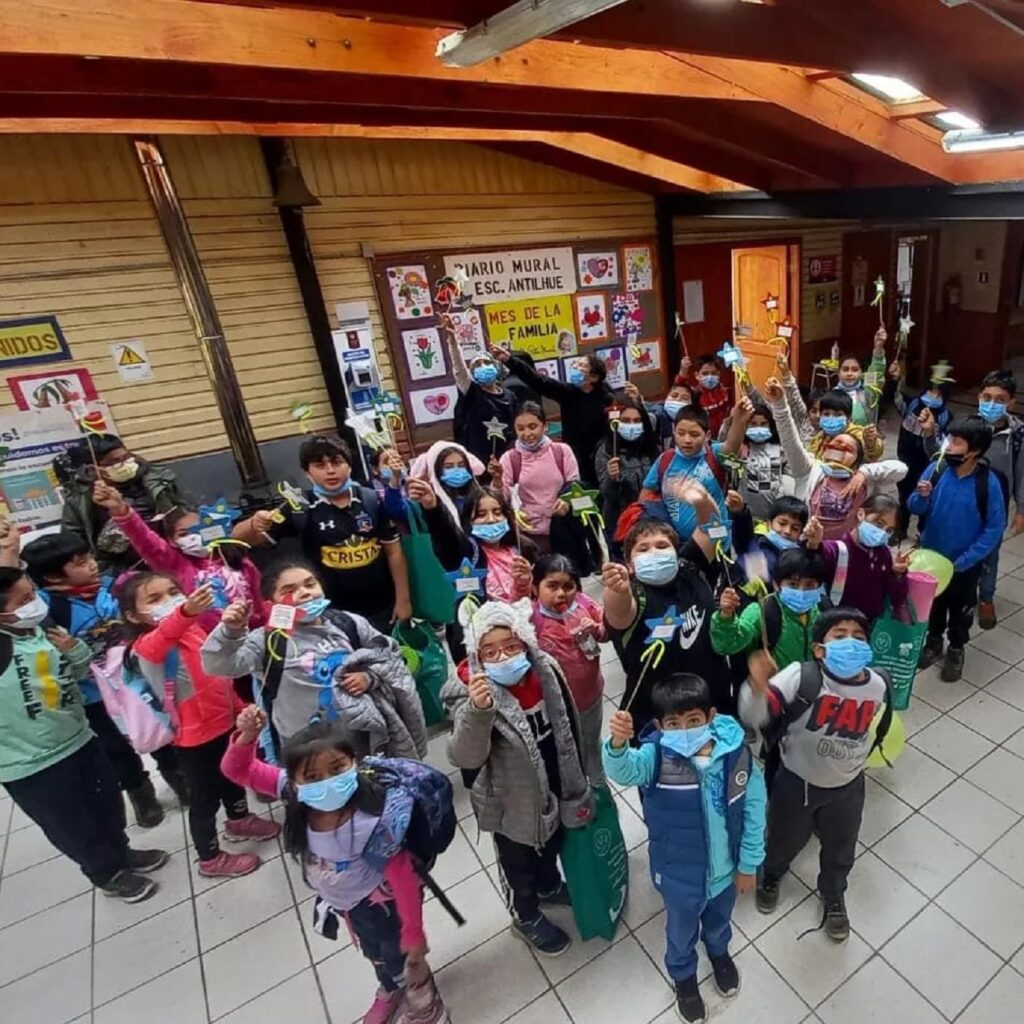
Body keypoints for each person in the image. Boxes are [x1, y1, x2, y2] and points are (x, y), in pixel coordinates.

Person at [222, 710, 449, 1024]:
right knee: (377, 954)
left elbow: (404, 879)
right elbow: (236, 770)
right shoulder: (293, 792)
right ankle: (390, 986)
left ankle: (422, 996)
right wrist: (247, 737)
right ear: (296, 779)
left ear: (354, 762)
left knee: (401, 956)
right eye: (312, 777)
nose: (326, 783)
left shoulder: (373, 820)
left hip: (383, 907)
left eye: (337, 768)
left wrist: (413, 932)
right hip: (349, 904)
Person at [0, 566, 169, 902]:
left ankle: (121, 852)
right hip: (33, 762)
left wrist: (75, 650)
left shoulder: (41, 631)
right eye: (24, 600)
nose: (35, 604)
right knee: (71, 822)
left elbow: (74, 674)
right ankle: (106, 873)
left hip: (78, 737)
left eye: (33, 594)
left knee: (105, 801)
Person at [604, 675, 765, 1024]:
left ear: (710, 716)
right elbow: (622, 770)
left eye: (693, 720)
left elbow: (754, 809)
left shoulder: (736, 756)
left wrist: (749, 863)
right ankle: (684, 977)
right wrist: (617, 744)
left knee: (720, 920)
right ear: (660, 726)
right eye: (674, 724)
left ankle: (719, 952)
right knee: (680, 931)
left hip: (726, 870)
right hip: (678, 874)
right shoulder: (655, 757)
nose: (685, 729)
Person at [442, 599, 593, 957]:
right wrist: (479, 713)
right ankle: (525, 914)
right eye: (490, 651)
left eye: (511, 646)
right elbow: (464, 755)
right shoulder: (470, 691)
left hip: (551, 780)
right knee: (518, 864)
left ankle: (549, 883)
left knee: (551, 841)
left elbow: (567, 722)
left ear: (526, 642)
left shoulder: (544, 671)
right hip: (509, 800)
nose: (503, 657)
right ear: (476, 654)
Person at [739, 607, 890, 941]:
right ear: (820, 649)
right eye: (840, 636)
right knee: (783, 836)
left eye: (859, 637)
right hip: (796, 781)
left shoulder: (878, 684)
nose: (851, 643)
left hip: (848, 784)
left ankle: (834, 893)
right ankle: (773, 873)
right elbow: (754, 715)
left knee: (841, 845)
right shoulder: (799, 676)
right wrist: (757, 684)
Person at [118, 572, 280, 877]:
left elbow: (217, 673)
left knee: (234, 777)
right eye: (154, 599)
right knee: (204, 797)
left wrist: (239, 706)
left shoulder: (193, 631)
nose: (168, 601)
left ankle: (239, 819)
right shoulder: (146, 647)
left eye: (172, 591)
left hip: (226, 722)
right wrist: (185, 611)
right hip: (194, 738)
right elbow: (163, 636)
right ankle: (210, 858)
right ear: (131, 615)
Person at [20, 532, 187, 827]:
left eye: (89, 557)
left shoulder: (112, 589)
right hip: (93, 695)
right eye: (81, 563)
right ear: (52, 577)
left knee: (158, 729)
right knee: (116, 747)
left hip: (137, 680)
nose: (93, 565)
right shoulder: (46, 609)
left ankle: (179, 779)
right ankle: (140, 792)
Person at [201, 558, 427, 762]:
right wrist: (230, 631)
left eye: (310, 584)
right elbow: (218, 665)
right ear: (272, 603)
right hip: (307, 750)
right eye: (289, 590)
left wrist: (369, 677)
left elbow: (390, 656)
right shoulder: (267, 641)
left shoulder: (347, 623)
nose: (304, 593)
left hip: (362, 738)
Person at [235, 435, 410, 632]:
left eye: (337, 462)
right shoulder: (299, 507)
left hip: (383, 610)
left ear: (349, 466)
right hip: (329, 616)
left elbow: (394, 552)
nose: (330, 471)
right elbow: (238, 539)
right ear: (307, 472)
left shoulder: (371, 500)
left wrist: (403, 600)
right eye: (320, 465)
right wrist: (253, 522)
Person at [603, 491, 733, 729]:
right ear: (630, 564)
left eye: (662, 545)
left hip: (711, 698)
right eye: (643, 549)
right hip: (661, 715)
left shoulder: (689, 568)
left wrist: (700, 499)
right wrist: (616, 589)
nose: (654, 552)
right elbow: (619, 614)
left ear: (676, 551)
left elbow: (710, 525)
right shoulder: (634, 594)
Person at [91, 482, 267, 632]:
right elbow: (144, 539)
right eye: (184, 533)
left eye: (200, 529)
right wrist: (120, 509)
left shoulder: (239, 562)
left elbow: (258, 603)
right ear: (172, 540)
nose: (195, 536)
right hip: (204, 645)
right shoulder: (176, 565)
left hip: (250, 637)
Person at [910, 416, 1006, 682]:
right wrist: (921, 496)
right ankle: (933, 641)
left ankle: (956, 647)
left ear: (973, 450)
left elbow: (994, 528)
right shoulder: (936, 469)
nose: (948, 445)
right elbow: (915, 507)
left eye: (956, 442)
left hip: (964, 565)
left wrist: (965, 560)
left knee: (961, 608)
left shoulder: (988, 483)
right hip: (930, 560)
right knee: (933, 605)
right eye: (949, 439)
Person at [764, 377, 906, 541]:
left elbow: (901, 469)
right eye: (836, 444)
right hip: (809, 545)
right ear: (824, 451)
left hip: (844, 550)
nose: (840, 448)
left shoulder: (862, 481)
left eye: (848, 448)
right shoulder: (810, 471)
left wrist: (864, 472)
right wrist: (780, 404)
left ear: (856, 459)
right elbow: (789, 437)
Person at [57, 432, 185, 573]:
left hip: (173, 556)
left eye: (126, 457)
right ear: (93, 468)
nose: (125, 464)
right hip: (124, 569)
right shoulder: (80, 498)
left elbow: (187, 511)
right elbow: (73, 542)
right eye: (114, 462)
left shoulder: (158, 479)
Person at [531, 554, 608, 785]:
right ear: (535, 588)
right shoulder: (533, 618)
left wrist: (597, 629)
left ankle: (598, 783)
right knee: (565, 748)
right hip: (555, 704)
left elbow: (606, 631)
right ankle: (574, 788)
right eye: (551, 586)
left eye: (568, 586)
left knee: (591, 742)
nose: (561, 594)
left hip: (590, 697)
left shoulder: (584, 604)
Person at [494, 348, 613, 485]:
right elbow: (537, 380)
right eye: (575, 364)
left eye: (582, 366)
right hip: (574, 456)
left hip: (601, 456)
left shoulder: (607, 397)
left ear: (594, 377)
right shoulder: (567, 392)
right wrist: (509, 360)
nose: (575, 368)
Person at [637, 400, 748, 541]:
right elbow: (646, 495)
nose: (687, 440)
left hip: (714, 542)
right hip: (676, 543)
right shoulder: (665, 459)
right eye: (681, 433)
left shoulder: (714, 454)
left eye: (694, 435)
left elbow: (732, 446)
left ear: (707, 436)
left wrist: (739, 420)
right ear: (673, 430)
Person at [712, 546, 825, 685]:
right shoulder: (761, 611)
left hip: (814, 694)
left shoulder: (823, 609)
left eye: (809, 585)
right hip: (772, 696)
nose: (801, 591)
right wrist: (726, 617)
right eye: (793, 584)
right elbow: (727, 645)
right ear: (777, 585)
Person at [804, 495, 910, 623]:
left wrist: (897, 574)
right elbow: (812, 562)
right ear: (861, 514)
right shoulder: (838, 550)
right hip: (837, 627)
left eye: (889, 530)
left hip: (868, 627)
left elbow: (896, 597)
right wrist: (813, 543)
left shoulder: (884, 554)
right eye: (878, 524)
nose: (882, 533)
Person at [973, 370, 1024, 629]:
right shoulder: (968, 427)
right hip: (965, 506)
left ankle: (986, 598)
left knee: (990, 554)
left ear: (1011, 403)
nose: (991, 404)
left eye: (1000, 399)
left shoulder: (1017, 436)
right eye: (987, 397)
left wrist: (1021, 509)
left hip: (996, 510)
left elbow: (1022, 474)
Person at [496, 401, 580, 555]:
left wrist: (567, 502)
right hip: (529, 536)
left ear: (545, 426)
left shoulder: (562, 451)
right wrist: (496, 479)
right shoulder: (509, 458)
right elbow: (501, 499)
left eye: (532, 427)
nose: (527, 434)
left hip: (563, 531)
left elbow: (575, 487)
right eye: (520, 429)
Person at [885, 360, 953, 536]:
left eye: (938, 393)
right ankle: (900, 530)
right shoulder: (913, 404)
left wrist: (931, 431)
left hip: (928, 465)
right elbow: (895, 397)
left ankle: (923, 532)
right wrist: (895, 379)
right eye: (930, 391)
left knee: (926, 497)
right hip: (906, 459)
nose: (933, 396)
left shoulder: (946, 417)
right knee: (904, 496)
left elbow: (943, 446)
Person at [595, 395, 660, 553]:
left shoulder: (650, 448)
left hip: (651, 519)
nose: (632, 425)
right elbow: (605, 495)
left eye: (637, 421)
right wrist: (612, 478)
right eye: (626, 420)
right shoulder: (607, 451)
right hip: (619, 523)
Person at [445, 331, 517, 464]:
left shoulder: (509, 395)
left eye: (487, 363)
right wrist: (453, 341)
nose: (483, 367)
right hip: (478, 461)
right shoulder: (471, 392)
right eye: (477, 365)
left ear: (496, 367)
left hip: (507, 460)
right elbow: (459, 369)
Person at [730, 495, 809, 583]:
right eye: (782, 524)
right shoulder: (754, 547)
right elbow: (743, 534)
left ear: (801, 533)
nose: (787, 531)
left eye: (795, 528)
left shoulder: (801, 560)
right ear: (769, 524)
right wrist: (740, 512)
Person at [831, 328, 887, 427]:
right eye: (845, 369)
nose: (850, 373)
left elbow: (876, 372)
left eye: (854, 370)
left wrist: (878, 347)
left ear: (861, 373)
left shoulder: (867, 393)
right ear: (838, 373)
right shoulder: (832, 396)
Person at [678, 354, 732, 439]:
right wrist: (683, 370)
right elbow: (680, 386)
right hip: (704, 439)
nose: (709, 377)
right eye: (705, 373)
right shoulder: (694, 394)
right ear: (697, 375)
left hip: (725, 436)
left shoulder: (726, 392)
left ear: (718, 374)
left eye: (713, 373)